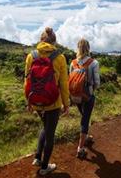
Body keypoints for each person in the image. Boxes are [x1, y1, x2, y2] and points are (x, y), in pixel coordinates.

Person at [24, 27, 69, 175]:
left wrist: (29, 102)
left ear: (41, 40)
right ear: (54, 42)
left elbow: (27, 82)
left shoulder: (31, 56)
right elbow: (63, 84)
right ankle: (44, 167)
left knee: (45, 126)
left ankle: (37, 157)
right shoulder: (60, 57)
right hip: (53, 102)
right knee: (50, 134)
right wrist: (66, 104)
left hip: (36, 100)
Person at [68, 38, 100, 159]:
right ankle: (80, 148)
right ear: (88, 48)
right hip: (87, 96)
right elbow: (97, 82)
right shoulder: (94, 63)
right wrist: (91, 91)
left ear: (78, 48)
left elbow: (70, 79)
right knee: (85, 119)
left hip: (75, 96)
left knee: (84, 116)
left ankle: (86, 137)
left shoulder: (72, 63)